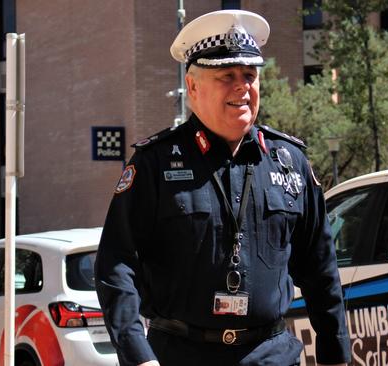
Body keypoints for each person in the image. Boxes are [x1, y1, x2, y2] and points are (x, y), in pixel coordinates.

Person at [94, 9, 351, 366]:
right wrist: (138, 355)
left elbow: (321, 267)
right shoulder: (155, 163)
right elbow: (115, 264)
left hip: (271, 354)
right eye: (226, 75)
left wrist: (335, 353)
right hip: (180, 355)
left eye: (249, 74)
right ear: (193, 86)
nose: (242, 86)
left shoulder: (289, 161)